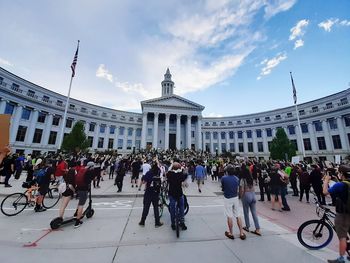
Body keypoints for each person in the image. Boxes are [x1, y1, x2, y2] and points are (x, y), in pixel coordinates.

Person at [323, 165, 350, 263]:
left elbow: (325, 192)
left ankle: (341, 258)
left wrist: (326, 180)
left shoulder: (341, 185)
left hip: (343, 214)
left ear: (341, 174)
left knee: (342, 236)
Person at [221, 164, 245, 240]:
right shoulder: (236, 178)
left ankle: (231, 233)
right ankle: (241, 232)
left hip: (227, 198)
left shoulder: (224, 178)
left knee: (229, 215)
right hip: (235, 197)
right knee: (238, 215)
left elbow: (223, 188)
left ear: (227, 171)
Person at [139, 162, 163, 227]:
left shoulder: (149, 173)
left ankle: (142, 221)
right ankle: (157, 223)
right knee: (156, 207)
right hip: (156, 192)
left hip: (148, 192)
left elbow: (144, 182)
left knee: (146, 208)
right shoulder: (158, 173)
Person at [240, 165, 261, 237]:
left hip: (246, 195)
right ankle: (257, 229)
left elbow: (242, 189)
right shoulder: (251, 178)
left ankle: (247, 226)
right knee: (254, 213)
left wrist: (240, 196)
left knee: (246, 212)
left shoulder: (243, 180)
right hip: (253, 195)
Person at [167, 162, 187, 231]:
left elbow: (168, 172)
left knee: (172, 209)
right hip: (179, 193)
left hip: (172, 193)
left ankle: (173, 224)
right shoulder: (180, 174)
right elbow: (185, 175)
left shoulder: (169, 174)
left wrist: (171, 167)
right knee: (181, 207)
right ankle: (182, 222)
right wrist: (182, 169)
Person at [74, 161, 95, 228]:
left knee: (80, 201)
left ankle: (76, 213)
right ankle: (77, 221)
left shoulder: (82, 169)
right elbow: (89, 180)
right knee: (81, 204)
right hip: (84, 189)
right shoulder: (88, 171)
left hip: (78, 187)